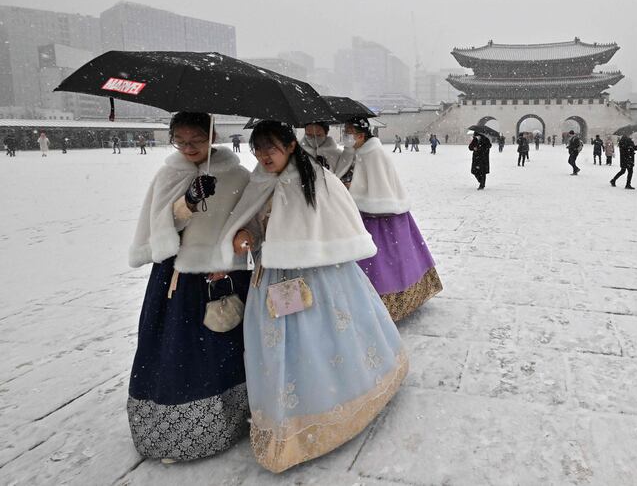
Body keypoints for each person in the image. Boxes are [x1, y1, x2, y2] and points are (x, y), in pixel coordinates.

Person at [218, 120, 407, 473]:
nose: (263, 156)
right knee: (281, 348)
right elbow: (255, 225)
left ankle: (332, 407)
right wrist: (246, 233)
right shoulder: (260, 181)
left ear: (290, 145)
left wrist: (307, 249)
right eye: (257, 149)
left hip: (318, 277)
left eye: (270, 148)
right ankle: (286, 420)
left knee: (320, 340)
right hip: (272, 277)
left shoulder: (317, 179)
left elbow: (333, 223)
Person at [126, 111, 252, 462]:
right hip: (179, 280)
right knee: (178, 352)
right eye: (180, 141)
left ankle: (233, 417)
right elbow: (162, 225)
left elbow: (244, 221)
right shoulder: (170, 173)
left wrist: (226, 258)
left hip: (225, 274)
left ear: (211, 135)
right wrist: (189, 202)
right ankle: (179, 430)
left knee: (224, 347)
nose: (188, 147)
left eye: (195, 140)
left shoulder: (238, 174)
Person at [337, 117, 443, 321]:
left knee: (386, 259)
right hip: (367, 214)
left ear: (361, 134)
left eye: (349, 131)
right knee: (393, 258)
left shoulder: (373, 154)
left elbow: (380, 190)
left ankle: (389, 300)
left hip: (381, 217)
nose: (346, 136)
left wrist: (355, 191)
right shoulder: (360, 152)